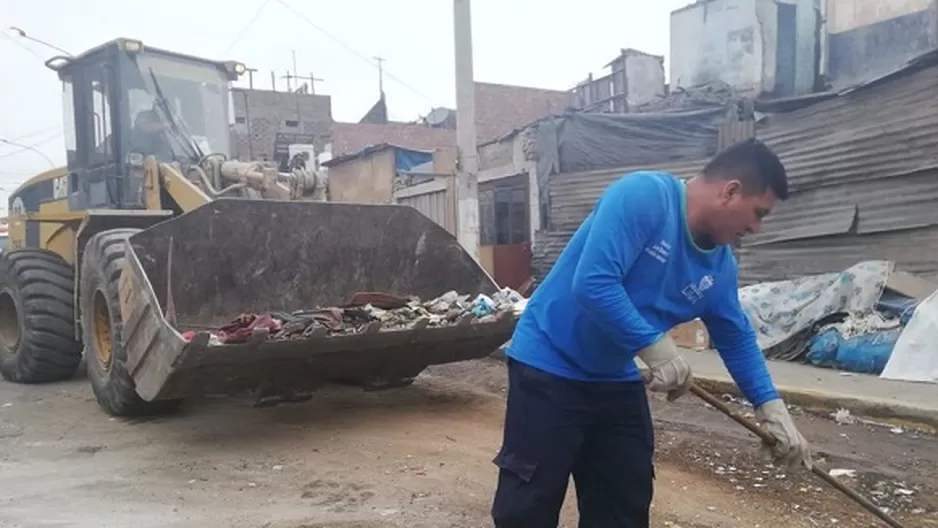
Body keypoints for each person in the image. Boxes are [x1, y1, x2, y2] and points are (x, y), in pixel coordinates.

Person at [491, 138, 812, 527]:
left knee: (623, 505)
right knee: (528, 508)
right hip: (550, 365)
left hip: (614, 378)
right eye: (758, 213)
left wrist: (771, 407)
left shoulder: (720, 267)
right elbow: (593, 283)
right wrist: (656, 348)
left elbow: (735, 336)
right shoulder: (644, 197)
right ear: (731, 191)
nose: (756, 228)